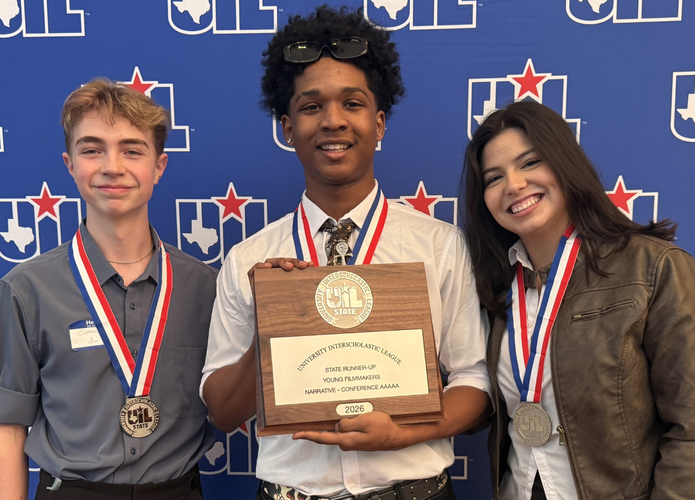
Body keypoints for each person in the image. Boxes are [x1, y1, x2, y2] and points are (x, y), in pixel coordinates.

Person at [201, 6, 490, 500]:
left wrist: (403, 433)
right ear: (287, 128)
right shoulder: (250, 260)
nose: (333, 121)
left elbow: (474, 382)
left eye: (352, 104)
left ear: (378, 123)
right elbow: (223, 413)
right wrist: (270, 323)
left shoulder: (440, 245)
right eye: (311, 107)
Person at [461, 100, 695, 499]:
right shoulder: (492, 286)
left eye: (530, 162)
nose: (514, 185)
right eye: (494, 178)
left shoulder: (654, 267)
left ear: (564, 164)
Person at [0, 79, 216, 500]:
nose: (112, 166)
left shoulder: (205, 286)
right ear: (70, 164)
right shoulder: (27, 289)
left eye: (132, 150)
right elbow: (7, 424)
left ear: (158, 166)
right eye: (92, 150)